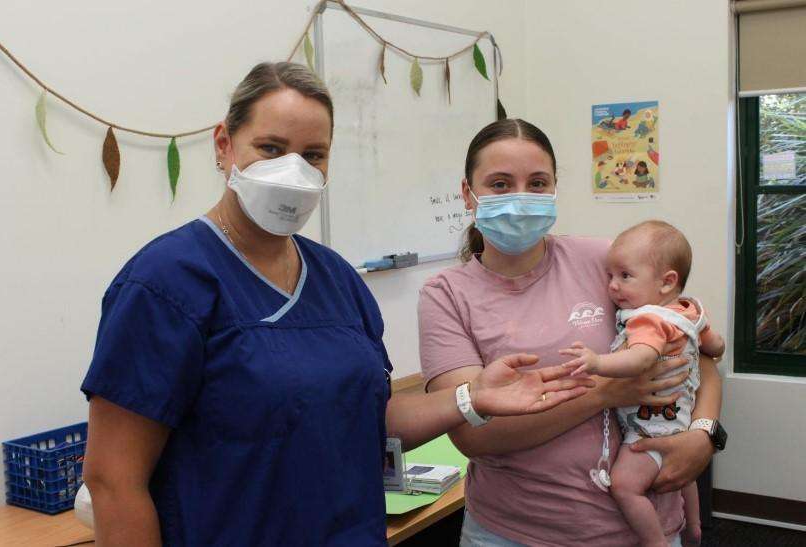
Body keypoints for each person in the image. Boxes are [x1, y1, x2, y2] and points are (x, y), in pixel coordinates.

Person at [79, 63, 593, 547]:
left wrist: (472, 398)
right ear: (224, 145)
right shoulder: (167, 281)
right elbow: (112, 481)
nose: (294, 171)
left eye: (313, 155)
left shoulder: (336, 279)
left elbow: (373, 416)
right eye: (271, 148)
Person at [418, 118, 724, 546]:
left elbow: (697, 351)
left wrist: (704, 434)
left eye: (538, 182)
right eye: (501, 184)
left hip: (643, 527)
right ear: (468, 193)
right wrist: (602, 393)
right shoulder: (446, 295)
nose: (522, 198)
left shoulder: (605, 262)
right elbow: (474, 435)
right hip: (514, 532)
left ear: (556, 188)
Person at [560, 221, 726, 547]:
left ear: (666, 282)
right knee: (684, 474)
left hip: (651, 426)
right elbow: (716, 345)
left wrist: (596, 363)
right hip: (681, 419)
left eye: (625, 276)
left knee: (624, 486)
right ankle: (693, 525)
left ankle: (655, 541)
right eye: (609, 276)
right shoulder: (691, 311)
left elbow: (639, 360)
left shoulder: (648, 319)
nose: (612, 286)